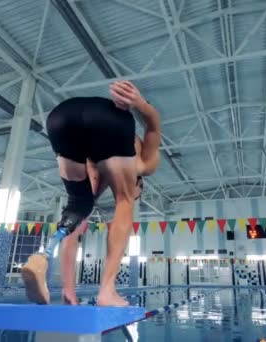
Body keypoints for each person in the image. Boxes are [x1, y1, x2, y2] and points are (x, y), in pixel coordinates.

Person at [22, 81, 160, 306]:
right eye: (138, 193)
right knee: (124, 203)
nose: (134, 195)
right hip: (108, 120)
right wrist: (141, 105)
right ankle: (107, 291)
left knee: (78, 206)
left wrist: (70, 290)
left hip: (61, 116)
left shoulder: (102, 170)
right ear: (139, 185)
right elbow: (154, 126)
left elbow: (77, 221)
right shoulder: (145, 164)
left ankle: (42, 260)